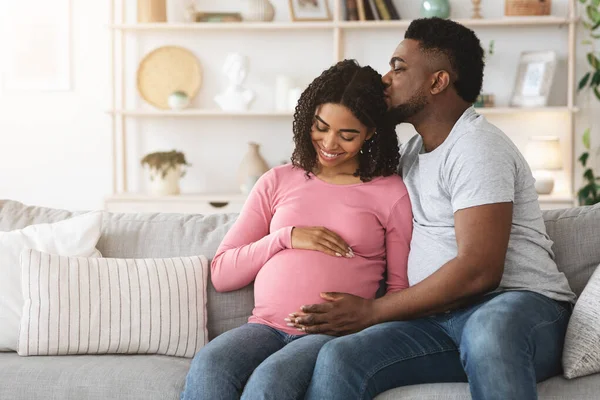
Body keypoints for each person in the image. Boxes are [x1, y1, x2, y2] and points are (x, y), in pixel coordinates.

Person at [289, 18, 576, 400]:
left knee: (488, 329)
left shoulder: (476, 146)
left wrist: (373, 311)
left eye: (399, 68)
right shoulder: (411, 154)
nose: (386, 79)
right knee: (342, 357)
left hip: (521, 311)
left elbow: (479, 271)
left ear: (437, 82)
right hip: (441, 321)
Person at [180, 59, 413, 400]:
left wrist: (363, 323)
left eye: (347, 135)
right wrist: (286, 238)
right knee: (209, 364)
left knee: (270, 381)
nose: (330, 143)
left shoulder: (390, 192)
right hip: (264, 328)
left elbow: (399, 291)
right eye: (321, 127)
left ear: (371, 132)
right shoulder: (277, 180)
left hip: (332, 336)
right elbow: (222, 273)